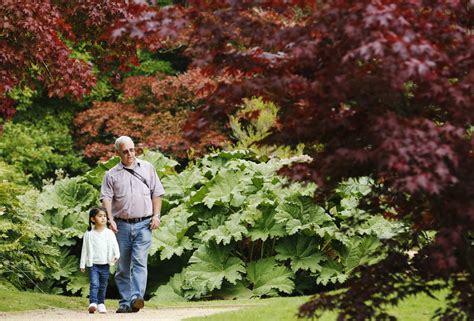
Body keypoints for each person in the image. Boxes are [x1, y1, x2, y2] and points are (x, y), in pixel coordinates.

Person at [100, 136, 165, 313]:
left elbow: (157, 194)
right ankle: (125, 302)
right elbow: (106, 197)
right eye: (125, 151)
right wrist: (110, 219)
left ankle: (136, 297)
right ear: (117, 153)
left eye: (132, 150)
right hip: (121, 226)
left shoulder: (148, 168)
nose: (130, 154)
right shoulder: (111, 175)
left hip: (144, 224)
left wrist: (156, 216)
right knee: (122, 267)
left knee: (139, 262)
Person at [80, 207, 120, 314]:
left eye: (104, 216)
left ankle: (101, 303)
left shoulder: (109, 233)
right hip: (93, 264)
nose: (103, 218)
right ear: (93, 219)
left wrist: (117, 255)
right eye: (100, 216)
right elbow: (84, 250)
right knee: (94, 284)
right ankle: (93, 303)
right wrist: (82, 264)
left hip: (105, 264)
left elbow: (115, 245)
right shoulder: (88, 234)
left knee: (103, 285)